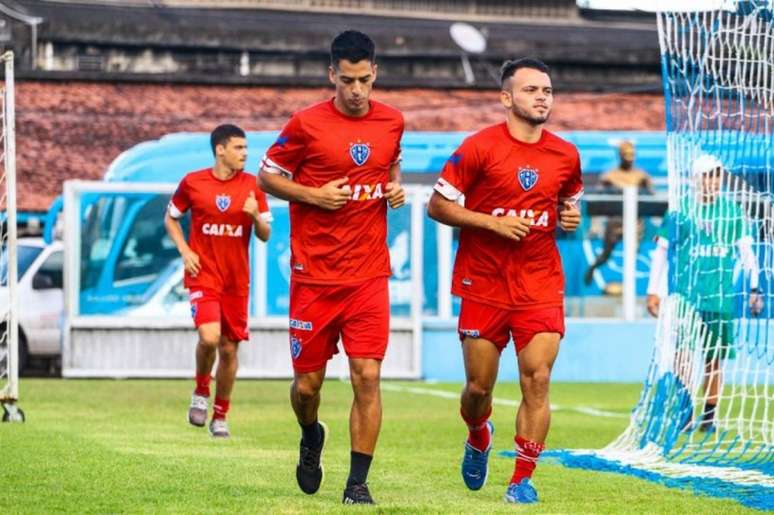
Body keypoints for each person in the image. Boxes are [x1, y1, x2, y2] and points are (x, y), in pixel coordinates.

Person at [427, 58, 583, 504]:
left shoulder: (566, 154)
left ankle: (521, 479)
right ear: (507, 98)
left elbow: (569, 204)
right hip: (484, 284)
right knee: (478, 388)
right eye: (532, 89)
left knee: (537, 378)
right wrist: (492, 224)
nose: (542, 97)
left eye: (547, 90)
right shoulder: (478, 148)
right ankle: (478, 432)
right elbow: (437, 207)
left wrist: (570, 217)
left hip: (539, 284)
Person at [259, 30, 405, 505]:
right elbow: (267, 175)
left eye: (364, 80)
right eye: (347, 81)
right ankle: (310, 435)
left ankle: (357, 483)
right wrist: (313, 195)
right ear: (332, 76)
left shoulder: (393, 122)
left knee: (367, 376)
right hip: (314, 277)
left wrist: (394, 188)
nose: (357, 90)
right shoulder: (305, 124)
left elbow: (389, 165)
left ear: (375, 73)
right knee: (307, 386)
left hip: (368, 276)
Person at [165, 124, 272, 438]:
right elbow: (170, 216)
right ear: (220, 150)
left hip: (236, 281)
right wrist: (185, 250)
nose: (244, 154)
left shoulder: (254, 186)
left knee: (228, 349)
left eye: (245, 148)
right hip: (204, 275)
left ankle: (220, 415)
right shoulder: (193, 182)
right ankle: (201, 391)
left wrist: (254, 216)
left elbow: (265, 235)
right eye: (238, 148)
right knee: (210, 338)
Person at [646, 154, 762, 433]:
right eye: (707, 175)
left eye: (716, 175)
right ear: (695, 179)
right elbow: (661, 251)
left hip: (719, 296)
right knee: (683, 354)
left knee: (714, 358)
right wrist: (652, 291)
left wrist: (755, 287)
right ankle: (685, 410)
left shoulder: (732, 211)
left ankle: (709, 416)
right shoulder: (680, 210)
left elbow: (746, 251)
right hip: (685, 297)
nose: (712, 181)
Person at [584, 140, 654, 286]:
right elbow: (596, 201)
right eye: (625, 155)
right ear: (620, 156)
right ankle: (592, 268)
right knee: (606, 254)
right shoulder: (610, 176)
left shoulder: (641, 176)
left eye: (631, 155)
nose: (629, 158)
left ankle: (627, 288)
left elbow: (653, 197)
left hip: (635, 221)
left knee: (633, 254)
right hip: (615, 220)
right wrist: (594, 224)